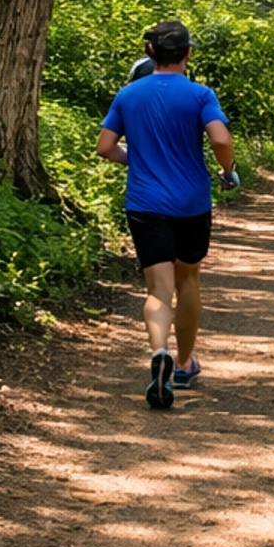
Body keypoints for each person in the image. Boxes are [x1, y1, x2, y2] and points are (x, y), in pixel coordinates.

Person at [97, 20, 238, 409]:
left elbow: (105, 146)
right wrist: (227, 171)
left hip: (145, 203)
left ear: (150, 52)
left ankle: (158, 351)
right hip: (192, 202)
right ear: (188, 53)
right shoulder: (200, 94)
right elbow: (221, 138)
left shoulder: (128, 94)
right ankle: (183, 363)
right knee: (188, 277)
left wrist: (137, 160)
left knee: (159, 289)